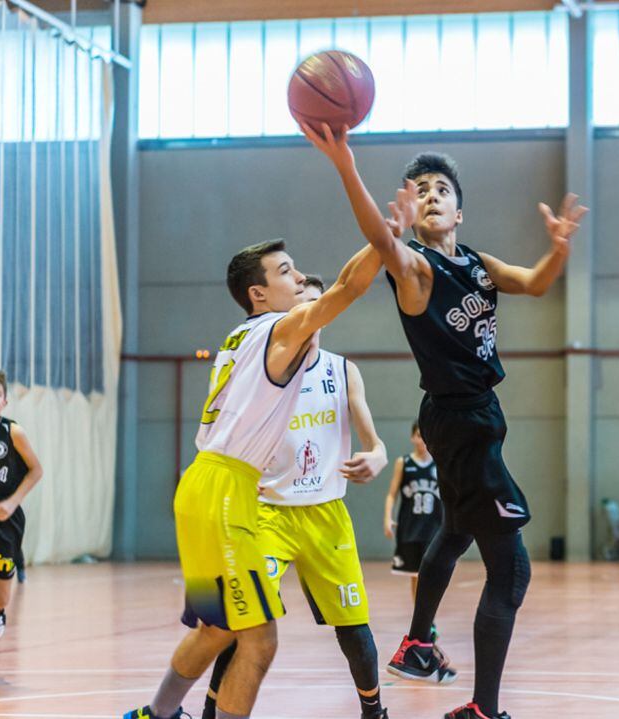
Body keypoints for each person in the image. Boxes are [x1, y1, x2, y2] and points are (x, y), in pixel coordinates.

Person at [305, 123, 586, 719]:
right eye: (420, 190)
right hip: (461, 421)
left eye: (441, 189)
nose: (431, 195)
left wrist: (558, 250)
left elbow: (534, 284)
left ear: (460, 209)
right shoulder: (418, 269)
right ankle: (483, 709)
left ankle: (415, 643)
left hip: (467, 416)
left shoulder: (478, 265)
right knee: (511, 571)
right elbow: (382, 241)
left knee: (456, 532)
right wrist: (346, 165)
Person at [125, 138, 402, 719]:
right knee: (260, 638)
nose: (300, 278)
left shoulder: (240, 339)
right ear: (259, 293)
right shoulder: (277, 332)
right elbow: (349, 287)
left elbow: (334, 293)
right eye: (287, 272)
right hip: (229, 493)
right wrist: (385, 237)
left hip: (208, 486)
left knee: (219, 626)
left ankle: (155, 713)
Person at [199, 275, 389, 719]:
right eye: (304, 302)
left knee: (353, 626)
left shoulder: (341, 370)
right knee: (238, 617)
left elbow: (373, 440)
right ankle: (211, 711)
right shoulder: (261, 373)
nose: (313, 311)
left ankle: (374, 710)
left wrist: (377, 455)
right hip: (267, 515)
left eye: (320, 303)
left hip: (325, 515)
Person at [0, 370, 44, 640]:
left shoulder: (13, 432)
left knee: (1, 596)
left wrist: (13, 502)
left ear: (5, 402)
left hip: (6, 520)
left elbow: (36, 470)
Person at [384, 421, 443, 610]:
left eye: (425, 436)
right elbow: (392, 494)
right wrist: (387, 518)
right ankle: (423, 620)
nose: (422, 440)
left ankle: (427, 619)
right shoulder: (404, 462)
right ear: (412, 437)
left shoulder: (440, 463)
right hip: (411, 528)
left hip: (434, 528)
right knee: (416, 575)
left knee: (432, 575)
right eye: (418, 435)